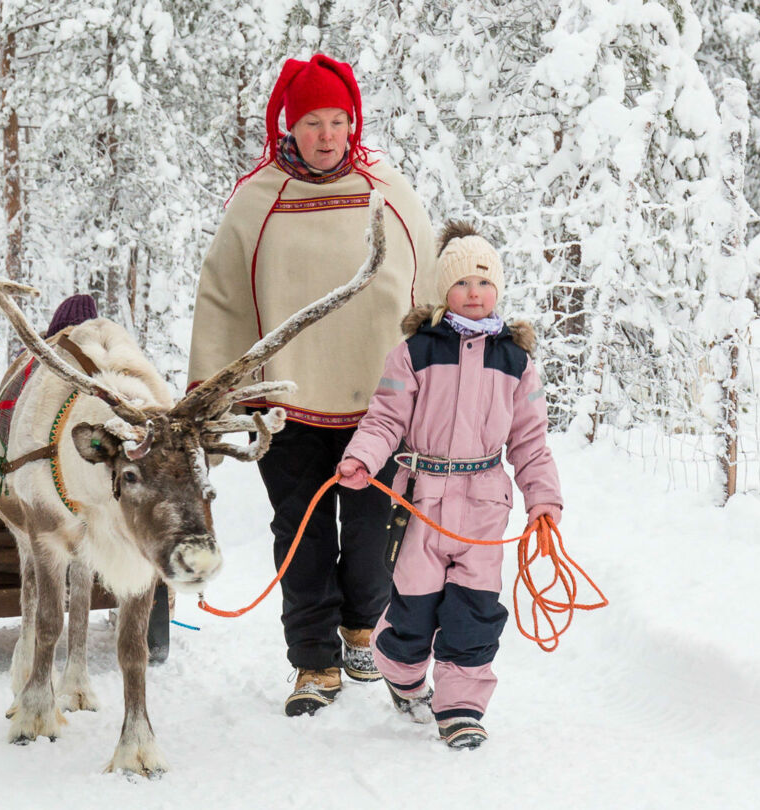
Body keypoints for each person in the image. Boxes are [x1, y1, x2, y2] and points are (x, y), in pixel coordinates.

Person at [188, 54, 436, 717]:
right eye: (312, 123)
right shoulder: (258, 198)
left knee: (369, 529)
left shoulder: (388, 187)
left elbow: (428, 281)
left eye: (337, 122)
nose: (327, 136)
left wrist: (443, 371)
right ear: (287, 127)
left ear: (352, 122)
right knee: (300, 533)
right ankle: (314, 662)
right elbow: (224, 299)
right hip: (288, 403)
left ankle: (362, 624)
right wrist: (211, 393)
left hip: (377, 403)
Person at [334, 224, 563, 750]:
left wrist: (542, 499)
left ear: (498, 290)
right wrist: (362, 458)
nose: (475, 292)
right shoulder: (415, 352)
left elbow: (529, 441)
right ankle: (404, 674)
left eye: (485, 282)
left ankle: (460, 705)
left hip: (485, 502)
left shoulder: (516, 362)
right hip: (423, 500)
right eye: (462, 283)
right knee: (413, 609)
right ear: (444, 292)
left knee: (475, 610)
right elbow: (385, 418)